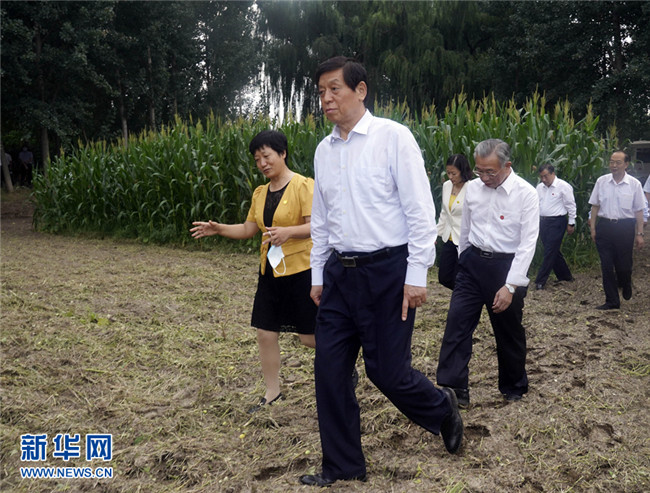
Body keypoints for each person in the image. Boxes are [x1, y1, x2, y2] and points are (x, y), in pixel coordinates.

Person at [300, 56, 463, 488]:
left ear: (361, 90)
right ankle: (343, 467)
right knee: (329, 371)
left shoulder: (393, 137)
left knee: (387, 372)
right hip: (339, 275)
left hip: (387, 273)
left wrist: (417, 273)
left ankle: (441, 408)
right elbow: (322, 220)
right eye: (321, 91)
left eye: (334, 89)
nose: (326, 98)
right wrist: (317, 275)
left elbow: (419, 211)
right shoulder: (323, 150)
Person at [190, 130, 316, 412]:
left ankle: (343, 356)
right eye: (257, 159)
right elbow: (249, 229)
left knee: (308, 338)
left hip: (301, 270)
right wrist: (219, 229)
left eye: (267, 156)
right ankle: (273, 392)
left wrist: (289, 232)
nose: (262, 164)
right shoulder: (260, 193)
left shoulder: (304, 186)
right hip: (270, 271)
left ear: (282, 153)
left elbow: (316, 227)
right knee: (265, 332)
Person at [436, 139, 539, 409]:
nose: (483, 177)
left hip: (506, 268)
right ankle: (454, 388)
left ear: (507, 165)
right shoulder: (472, 189)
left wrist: (511, 286)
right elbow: (466, 228)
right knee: (457, 324)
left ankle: (513, 386)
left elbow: (528, 244)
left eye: (490, 172)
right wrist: (464, 260)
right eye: (479, 170)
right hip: (472, 265)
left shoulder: (525, 194)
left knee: (508, 331)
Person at [588, 151, 645, 310]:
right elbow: (595, 206)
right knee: (606, 265)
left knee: (624, 266)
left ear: (626, 164)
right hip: (605, 226)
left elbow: (639, 210)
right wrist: (593, 228)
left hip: (625, 228)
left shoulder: (634, 184)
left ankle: (625, 282)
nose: (614, 165)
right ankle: (612, 301)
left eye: (618, 162)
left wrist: (640, 234)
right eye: (611, 162)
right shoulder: (602, 181)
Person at [534, 163, 577, 290]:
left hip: (557, 222)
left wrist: (571, 223)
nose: (543, 179)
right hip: (543, 222)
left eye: (546, 176)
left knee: (549, 251)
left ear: (553, 173)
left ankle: (540, 280)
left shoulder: (563, 186)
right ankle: (565, 276)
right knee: (553, 250)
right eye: (541, 177)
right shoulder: (539, 188)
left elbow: (571, 205)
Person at [437, 154, 472, 290]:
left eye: (454, 173)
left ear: (463, 172)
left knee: (459, 277)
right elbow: (445, 212)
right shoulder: (447, 186)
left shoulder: (472, 188)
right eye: (448, 173)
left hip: (464, 241)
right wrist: (436, 233)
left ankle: (461, 298)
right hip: (449, 238)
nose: (450, 177)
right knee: (444, 277)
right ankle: (462, 294)